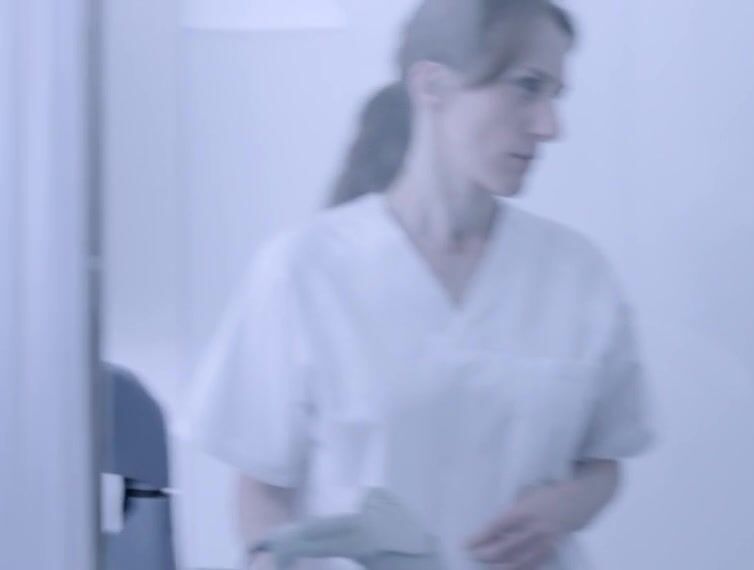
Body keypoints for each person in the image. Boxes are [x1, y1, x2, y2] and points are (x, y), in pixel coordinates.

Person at [174, 1, 656, 568]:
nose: (550, 126)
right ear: (432, 85)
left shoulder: (578, 276)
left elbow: (603, 461)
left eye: (556, 95)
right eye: (527, 87)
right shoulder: (304, 269)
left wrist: (565, 508)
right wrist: (269, 558)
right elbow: (261, 485)